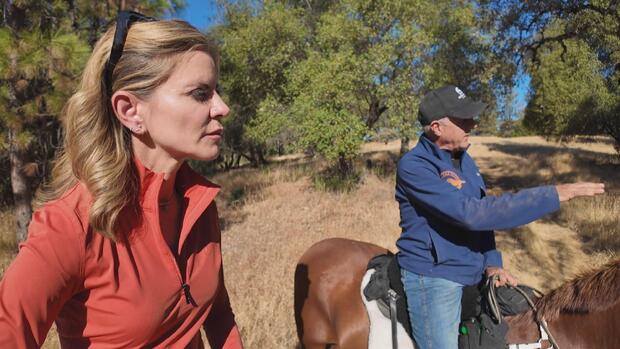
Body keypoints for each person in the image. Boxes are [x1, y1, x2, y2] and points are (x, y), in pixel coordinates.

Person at [0, 11, 243, 349]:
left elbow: (218, 314)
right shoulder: (70, 225)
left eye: (216, 90)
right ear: (130, 111)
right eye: (200, 94)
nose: (222, 107)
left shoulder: (199, 205)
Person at [395, 85, 605, 349]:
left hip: (473, 271)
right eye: (463, 119)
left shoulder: (464, 161)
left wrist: (492, 264)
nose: (473, 123)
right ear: (437, 127)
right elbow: (473, 215)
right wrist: (552, 194)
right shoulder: (415, 166)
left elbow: (482, 220)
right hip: (436, 277)